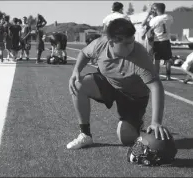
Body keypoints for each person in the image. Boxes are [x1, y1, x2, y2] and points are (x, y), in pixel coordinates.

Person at [66, 18, 171, 150]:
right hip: (109, 83)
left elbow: (156, 87)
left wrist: (156, 122)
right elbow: (84, 53)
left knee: (125, 138)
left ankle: (137, 124)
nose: (131, 46)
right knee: (78, 84)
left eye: (132, 41)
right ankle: (85, 134)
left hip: (133, 96)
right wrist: (76, 71)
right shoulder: (100, 44)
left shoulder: (140, 56)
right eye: (126, 43)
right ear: (111, 42)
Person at [143, 3, 174, 81]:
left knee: (157, 60)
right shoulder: (169, 17)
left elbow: (147, 26)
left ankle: (157, 76)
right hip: (166, 41)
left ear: (156, 10)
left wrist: (150, 15)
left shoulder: (154, 20)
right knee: (167, 59)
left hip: (157, 41)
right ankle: (168, 76)